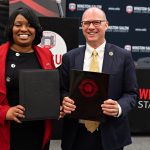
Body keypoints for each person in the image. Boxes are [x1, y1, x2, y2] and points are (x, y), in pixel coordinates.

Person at [59, 7, 138, 150]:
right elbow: (62, 89)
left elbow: (131, 93)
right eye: (86, 23)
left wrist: (119, 107)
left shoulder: (123, 57)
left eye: (96, 22)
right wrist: (64, 100)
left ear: (106, 25)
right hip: (76, 135)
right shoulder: (69, 58)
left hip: (111, 134)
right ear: (82, 26)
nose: (90, 27)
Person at [0, 7, 55, 150]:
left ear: (36, 29)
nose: (24, 29)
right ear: (11, 28)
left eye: (30, 25)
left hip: (38, 133)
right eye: (18, 25)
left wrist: (58, 105)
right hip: (6, 133)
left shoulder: (46, 55)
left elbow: (53, 89)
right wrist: (5, 112)